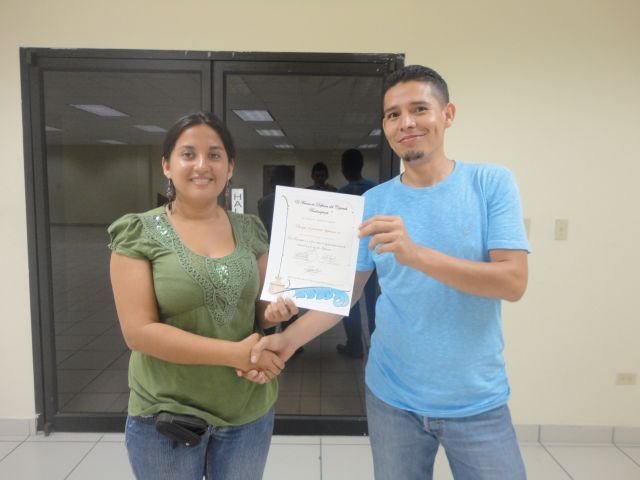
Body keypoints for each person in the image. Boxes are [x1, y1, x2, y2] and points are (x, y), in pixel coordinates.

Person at [247, 65, 530, 479]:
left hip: (476, 400)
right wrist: (286, 341)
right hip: (392, 398)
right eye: (393, 114)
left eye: (419, 109)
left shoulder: (490, 183)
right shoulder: (375, 202)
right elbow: (347, 292)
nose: (406, 123)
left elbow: (513, 281)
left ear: (448, 114)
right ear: (385, 126)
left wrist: (417, 255)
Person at [108, 111, 296, 480]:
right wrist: (236, 354)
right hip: (167, 415)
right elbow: (139, 333)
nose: (201, 165)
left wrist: (277, 312)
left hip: (247, 411)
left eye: (214, 155)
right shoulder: (138, 233)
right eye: (188, 154)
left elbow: (260, 310)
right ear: (167, 165)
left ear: (229, 167)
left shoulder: (250, 229)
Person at [336, 149, 378, 359]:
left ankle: (355, 346)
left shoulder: (340, 194)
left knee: (348, 302)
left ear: (344, 169)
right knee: (373, 302)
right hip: (375, 256)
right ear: (361, 166)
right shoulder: (376, 190)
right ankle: (376, 346)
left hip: (348, 257)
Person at [257, 165, 295, 240]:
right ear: (291, 182)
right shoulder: (298, 202)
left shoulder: (263, 203)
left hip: (269, 243)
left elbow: (263, 231)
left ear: (272, 182)